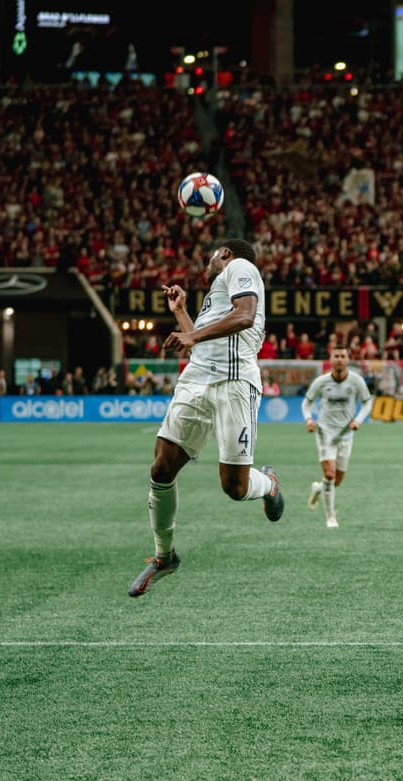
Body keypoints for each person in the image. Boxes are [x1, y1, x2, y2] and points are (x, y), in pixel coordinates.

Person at [129, 238, 284, 598]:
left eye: (212, 256)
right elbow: (201, 342)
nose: (208, 263)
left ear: (226, 254)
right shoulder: (218, 288)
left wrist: (190, 332)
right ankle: (164, 555)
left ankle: (269, 485)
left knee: (235, 487)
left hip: (234, 383)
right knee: (161, 468)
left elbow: (244, 317)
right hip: (197, 378)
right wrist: (181, 312)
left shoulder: (241, 267)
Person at [303, 346, 374, 529]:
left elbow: (367, 402)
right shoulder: (321, 381)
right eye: (336, 356)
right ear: (331, 359)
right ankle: (331, 517)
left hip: (346, 435)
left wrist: (358, 419)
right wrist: (309, 419)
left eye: (343, 356)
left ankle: (319, 488)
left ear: (348, 359)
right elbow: (307, 402)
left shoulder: (356, 381)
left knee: (336, 481)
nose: (340, 359)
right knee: (329, 473)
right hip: (325, 432)